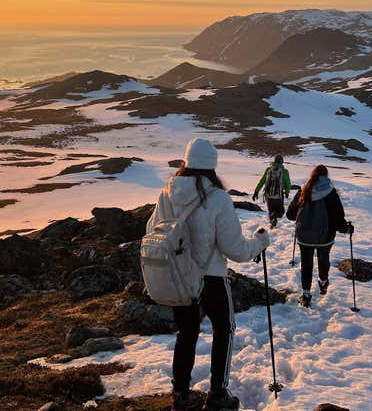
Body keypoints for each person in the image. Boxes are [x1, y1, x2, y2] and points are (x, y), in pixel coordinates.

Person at [147, 138, 270, 411]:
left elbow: (151, 228)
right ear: (212, 166)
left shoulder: (167, 193)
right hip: (212, 277)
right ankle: (217, 395)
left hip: (178, 277)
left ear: (186, 162)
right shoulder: (217, 197)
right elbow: (235, 249)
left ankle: (180, 396)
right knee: (224, 329)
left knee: (186, 333)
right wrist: (260, 243)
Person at [286, 164, 349, 307]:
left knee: (306, 263)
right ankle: (323, 282)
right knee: (323, 258)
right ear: (326, 176)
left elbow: (290, 215)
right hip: (325, 236)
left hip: (304, 236)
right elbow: (338, 217)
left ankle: (306, 294)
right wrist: (346, 228)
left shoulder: (304, 190)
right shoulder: (331, 192)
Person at [252, 155, 291, 228]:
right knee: (280, 212)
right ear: (282, 162)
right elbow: (288, 183)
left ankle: (272, 225)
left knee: (271, 211)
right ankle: (274, 218)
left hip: (269, 195)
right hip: (279, 195)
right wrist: (287, 192)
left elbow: (262, 181)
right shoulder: (284, 171)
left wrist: (256, 191)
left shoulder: (268, 170)